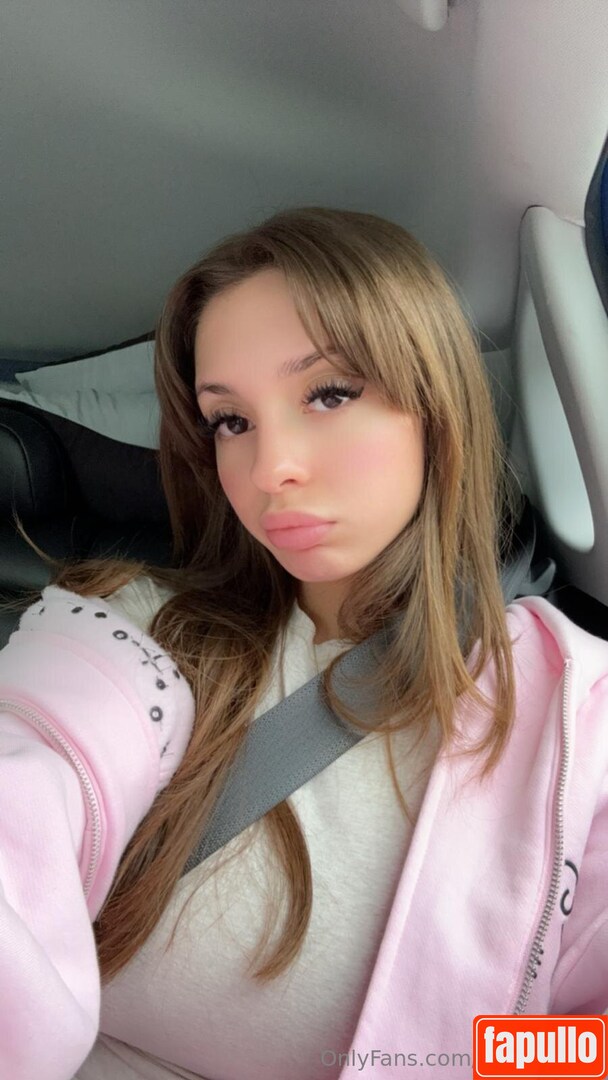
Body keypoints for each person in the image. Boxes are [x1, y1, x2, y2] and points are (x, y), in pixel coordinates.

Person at [0, 206, 606, 1080]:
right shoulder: (132, 628)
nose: (269, 467)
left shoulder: (578, 715)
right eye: (230, 420)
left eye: (328, 394)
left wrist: (461, 1061)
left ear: (435, 405)